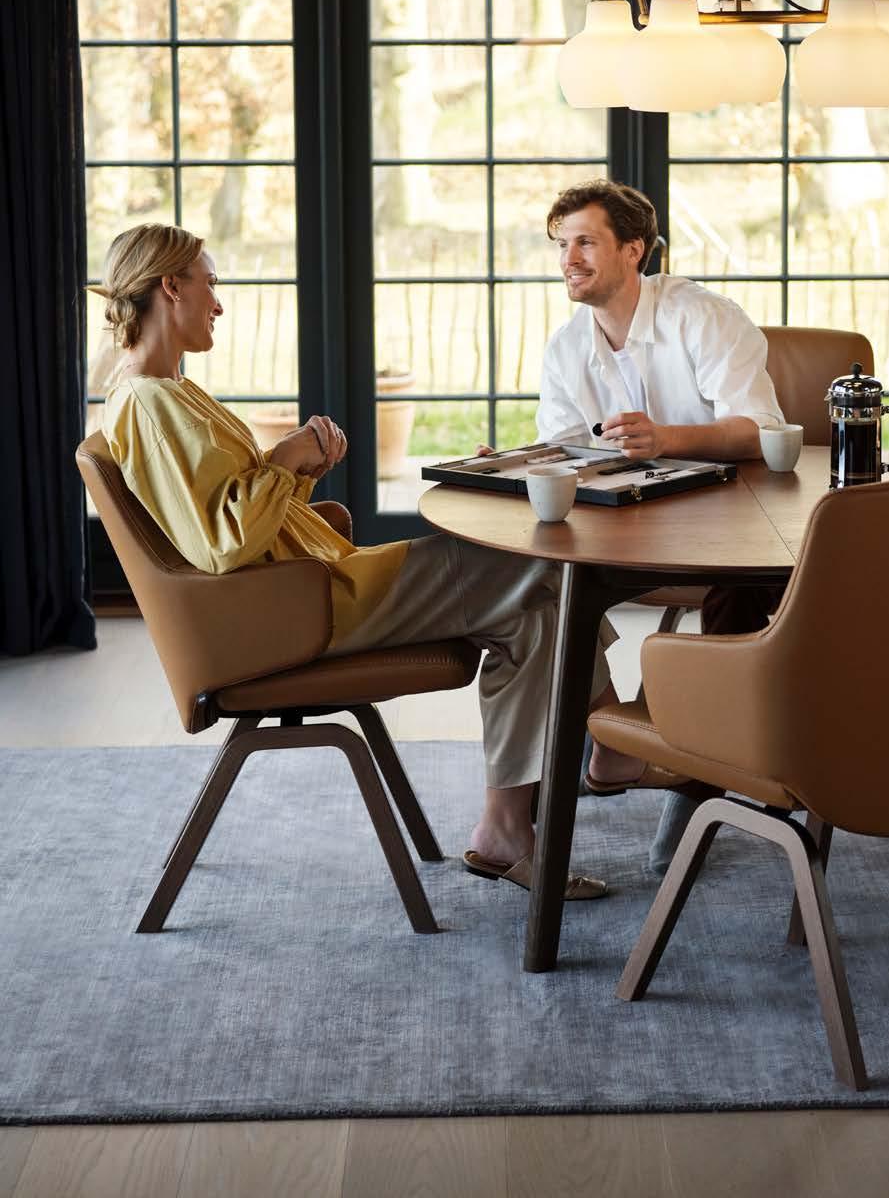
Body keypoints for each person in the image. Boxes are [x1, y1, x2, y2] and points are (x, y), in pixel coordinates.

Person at [94, 223, 639, 900]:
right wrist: (284, 458)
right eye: (210, 283)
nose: (219, 303)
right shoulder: (149, 403)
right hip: (306, 609)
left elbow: (233, 517)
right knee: (548, 564)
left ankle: (508, 827)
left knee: (535, 618)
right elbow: (224, 543)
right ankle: (613, 742)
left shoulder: (165, 392)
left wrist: (295, 472)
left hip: (315, 590)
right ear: (171, 287)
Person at [538, 178, 787, 642]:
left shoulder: (704, 316)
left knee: (738, 584)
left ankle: (712, 689)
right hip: (626, 523)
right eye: (562, 244)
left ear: (633, 250)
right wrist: (508, 464)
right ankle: (583, 689)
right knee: (536, 577)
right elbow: (561, 450)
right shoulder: (565, 348)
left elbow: (761, 431)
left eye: (585, 242)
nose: (568, 260)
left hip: (730, 518)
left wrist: (666, 438)